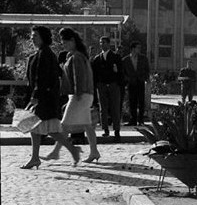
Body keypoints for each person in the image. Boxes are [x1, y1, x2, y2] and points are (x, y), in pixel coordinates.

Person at [20, 26, 81, 169]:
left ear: (42, 37)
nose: (32, 38)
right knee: (42, 129)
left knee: (43, 128)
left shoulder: (45, 54)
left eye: (35, 36)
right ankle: (37, 157)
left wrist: (36, 96)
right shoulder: (43, 53)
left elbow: (42, 78)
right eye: (32, 36)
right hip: (45, 98)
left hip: (44, 99)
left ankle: (38, 158)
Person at [45, 28, 100, 163]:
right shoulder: (78, 55)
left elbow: (78, 76)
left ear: (72, 41)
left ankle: (55, 152)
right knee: (87, 125)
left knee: (64, 125)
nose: (63, 45)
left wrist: (77, 93)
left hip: (79, 95)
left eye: (65, 42)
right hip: (85, 94)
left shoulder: (76, 57)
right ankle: (94, 151)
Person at [91, 36, 124, 140]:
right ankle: (105, 129)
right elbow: (94, 74)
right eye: (101, 42)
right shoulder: (97, 58)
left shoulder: (115, 57)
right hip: (102, 85)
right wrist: (96, 85)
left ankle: (117, 130)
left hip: (113, 84)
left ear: (108, 44)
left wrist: (117, 77)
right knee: (103, 108)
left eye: (104, 42)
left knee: (115, 107)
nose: (102, 44)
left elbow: (121, 72)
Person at [123, 41, 150, 125]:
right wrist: (128, 79)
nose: (139, 49)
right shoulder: (125, 60)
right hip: (131, 83)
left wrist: (145, 78)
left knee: (141, 101)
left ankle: (141, 120)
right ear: (133, 49)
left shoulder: (143, 58)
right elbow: (123, 72)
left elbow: (147, 69)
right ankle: (133, 119)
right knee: (132, 101)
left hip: (140, 82)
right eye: (138, 48)